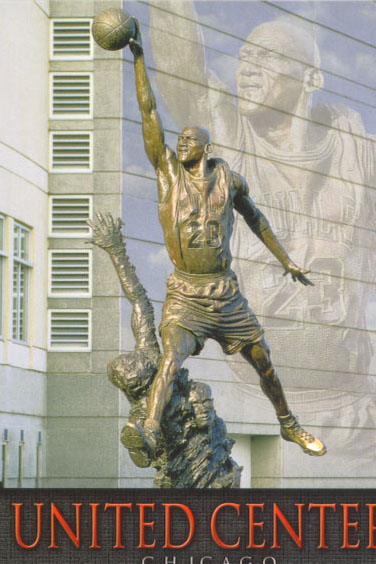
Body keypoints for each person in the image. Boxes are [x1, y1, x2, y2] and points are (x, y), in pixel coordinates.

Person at [148, 4, 376, 464]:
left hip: (358, 407)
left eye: (268, 57)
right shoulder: (228, 136)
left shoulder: (352, 141)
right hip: (254, 406)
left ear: (312, 77)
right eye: (244, 57)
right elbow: (179, 69)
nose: (247, 68)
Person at [121, 20, 327, 468]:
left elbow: (258, 221)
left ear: (206, 147)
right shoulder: (168, 177)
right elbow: (148, 112)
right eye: (179, 141)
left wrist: (287, 261)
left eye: (189, 140)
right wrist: (138, 57)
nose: (180, 144)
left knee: (263, 362)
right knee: (170, 359)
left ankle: (288, 422)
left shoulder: (229, 181)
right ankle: (149, 431)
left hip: (226, 294)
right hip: (185, 293)